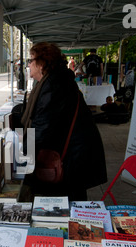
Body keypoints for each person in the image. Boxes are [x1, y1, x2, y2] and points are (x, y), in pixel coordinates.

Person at [20, 42, 107, 201]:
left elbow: (42, 126)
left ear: (42, 63)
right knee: (72, 195)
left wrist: (20, 153)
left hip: (73, 156)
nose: (29, 65)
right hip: (72, 151)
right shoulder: (53, 80)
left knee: (70, 199)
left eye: (30, 60)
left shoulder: (54, 84)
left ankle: (76, 222)